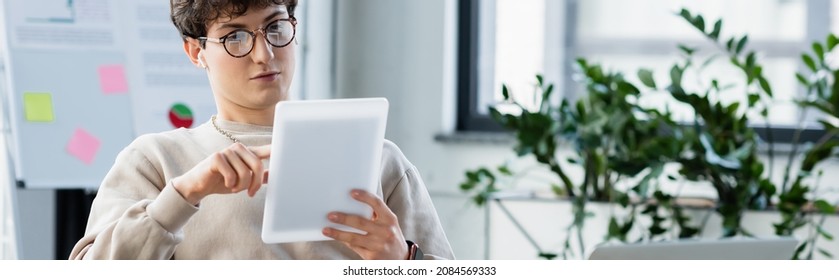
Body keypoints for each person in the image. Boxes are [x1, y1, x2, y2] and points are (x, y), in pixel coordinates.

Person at [69, 0, 454, 260]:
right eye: (235, 36)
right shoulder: (154, 160)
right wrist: (185, 194)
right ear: (195, 52)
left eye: (275, 27)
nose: (263, 54)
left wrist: (404, 259)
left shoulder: (378, 157)